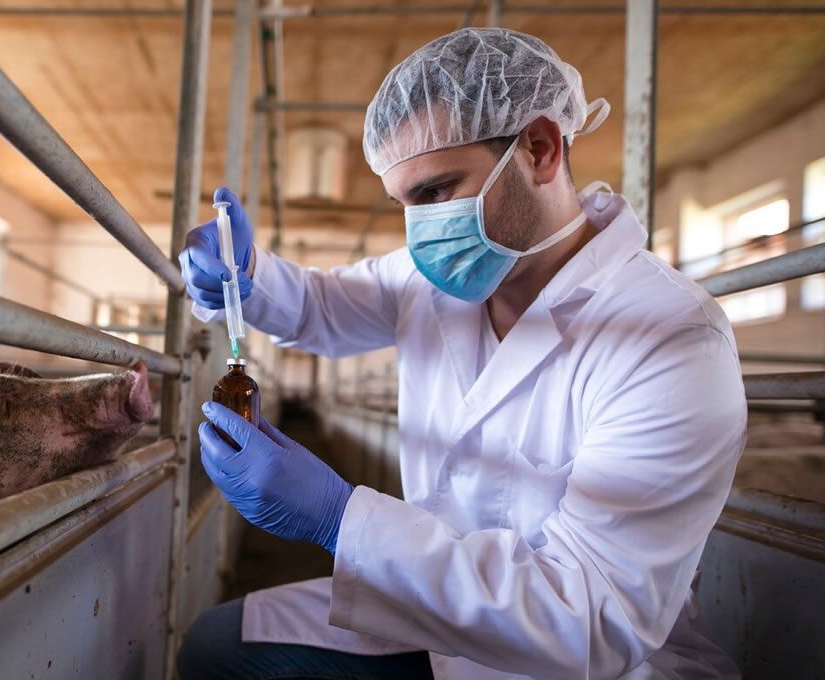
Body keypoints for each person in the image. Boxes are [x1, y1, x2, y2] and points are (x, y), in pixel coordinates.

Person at [176, 27, 746, 680]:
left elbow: (591, 616)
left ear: (539, 147)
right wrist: (243, 275)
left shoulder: (670, 337)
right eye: (403, 205)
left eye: (435, 193)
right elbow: (320, 307)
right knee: (216, 648)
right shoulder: (443, 275)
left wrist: (340, 520)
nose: (420, 233)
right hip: (438, 611)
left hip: (581, 663)